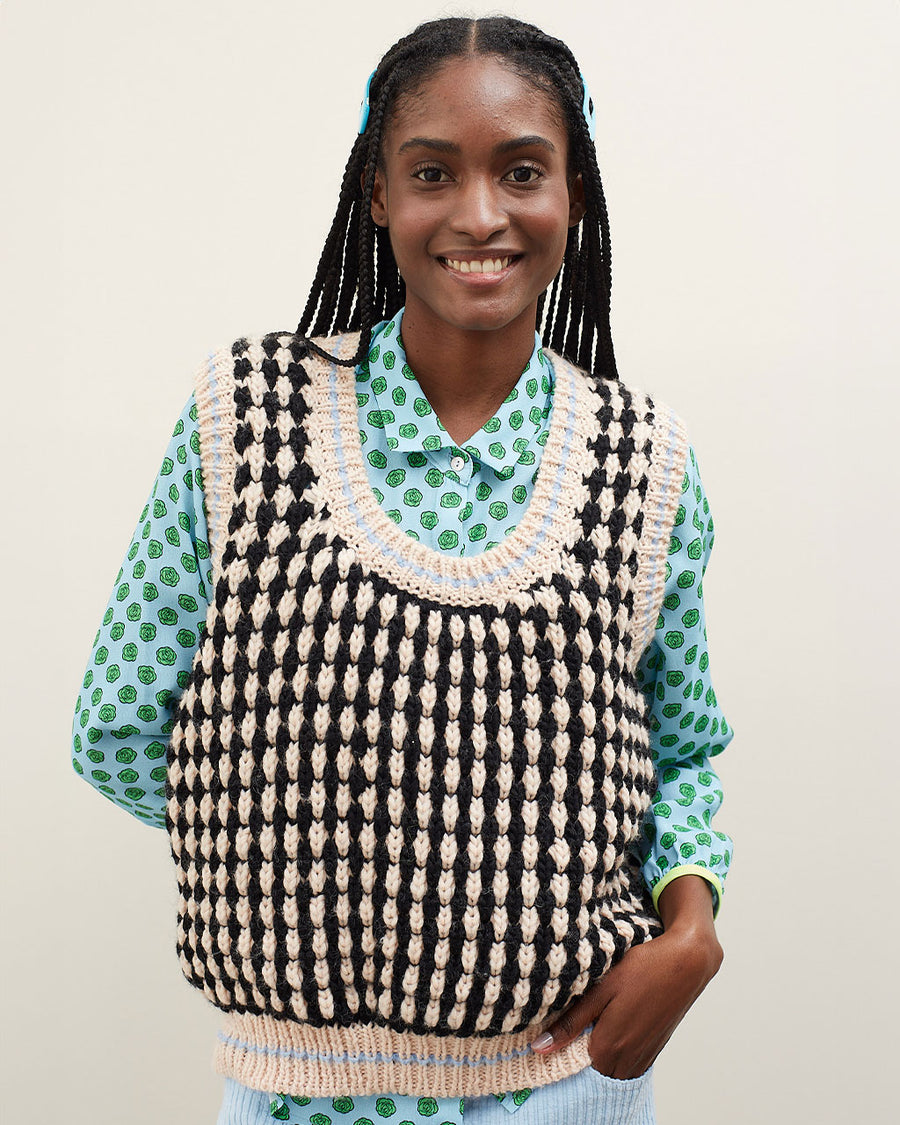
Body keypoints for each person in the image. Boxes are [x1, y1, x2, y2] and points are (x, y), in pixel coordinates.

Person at [71, 15, 734, 1125]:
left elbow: (685, 748)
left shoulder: (645, 463)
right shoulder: (247, 422)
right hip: (300, 1095)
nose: (480, 214)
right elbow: (118, 727)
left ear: (576, 192)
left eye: (523, 170)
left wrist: (694, 925)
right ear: (376, 194)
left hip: (569, 1086)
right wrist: (296, 850)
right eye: (434, 172)